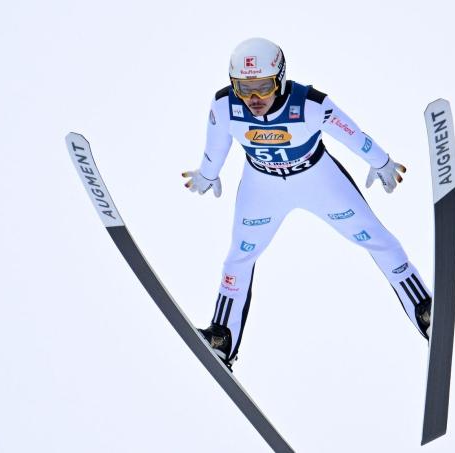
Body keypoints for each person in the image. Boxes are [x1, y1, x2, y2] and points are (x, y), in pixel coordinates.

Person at [182, 37, 432, 369]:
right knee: (238, 259)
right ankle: (221, 338)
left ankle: (426, 311)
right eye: (244, 88)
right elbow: (216, 144)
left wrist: (381, 161)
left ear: (281, 78)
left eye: (263, 86)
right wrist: (208, 173)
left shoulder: (312, 104)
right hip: (263, 188)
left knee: (380, 241)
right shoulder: (224, 106)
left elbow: (352, 134)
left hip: (318, 181)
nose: (254, 99)